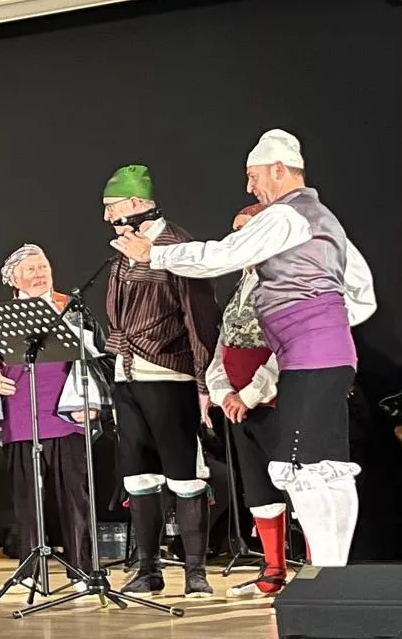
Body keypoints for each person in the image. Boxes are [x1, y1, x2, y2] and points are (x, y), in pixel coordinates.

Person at [112, 130, 375, 568]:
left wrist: (153, 256)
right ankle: (333, 571)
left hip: (312, 356)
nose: (250, 187)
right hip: (319, 354)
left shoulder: (287, 215)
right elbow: (361, 292)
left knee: (307, 467)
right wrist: (323, 322)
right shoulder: (323, 218)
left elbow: (222, 255)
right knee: (322, 467)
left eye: (253, 177)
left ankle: (329, 573)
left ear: (278, 170)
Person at [100, 164, 222, 597]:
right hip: (127, 374)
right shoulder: (121, 252)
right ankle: (148, 569)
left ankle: (195, 572)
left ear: (136, 204)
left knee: (185, 474)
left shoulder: (178, 246)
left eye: (111, 206)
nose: (107, 216)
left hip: (170, 374)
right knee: (139, 476)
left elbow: (199, 317)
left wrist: (204, 383)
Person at [0, 245, 106, 590]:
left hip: (70, 416)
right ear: (12, 279)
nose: (39, 274)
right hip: (20, 417)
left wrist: (95, 402)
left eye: (43, 267)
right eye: (30, 269)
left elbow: (103, 359)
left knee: (75, 496)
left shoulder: (74, 310)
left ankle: (81, 570)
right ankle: (29, 570)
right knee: (27, 498)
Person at [202, 205, 288, 597]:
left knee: (296, 485)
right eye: (235, 231)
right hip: (239, 404)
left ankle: (318, 576)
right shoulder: (243, 281)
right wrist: (223, 392)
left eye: (247, 231)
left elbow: (287, 345)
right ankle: (273, 572)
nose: (239, 239)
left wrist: (252, 393)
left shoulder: (286, 279)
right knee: (257, 486)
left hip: (273, 400)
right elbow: (225, 344)